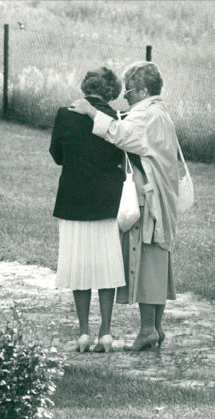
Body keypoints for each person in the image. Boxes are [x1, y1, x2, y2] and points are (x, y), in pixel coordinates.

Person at [69, 61, 181, 351]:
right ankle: (156, 326)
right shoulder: (158, 111)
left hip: (149, 196)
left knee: (146, 259)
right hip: (162, 195)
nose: (125, 96)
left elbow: (124, 135)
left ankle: (147, 329)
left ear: (143, 89)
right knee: (158, 257)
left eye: (129, 90)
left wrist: (92, 111)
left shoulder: (148, 115)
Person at [50, 67, 126, 353]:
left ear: (86, 88)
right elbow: (121, 154)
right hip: (107, 199)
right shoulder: (116, 119)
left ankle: (83, 331)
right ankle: (105, 331)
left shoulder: (64, 115)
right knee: (107, 265)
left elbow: (57, 155)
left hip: (72, 198)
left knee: (77, 265)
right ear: (112, 92)